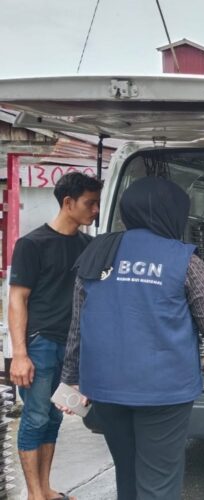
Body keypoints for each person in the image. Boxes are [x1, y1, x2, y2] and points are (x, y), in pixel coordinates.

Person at [60, 177, 204, 500]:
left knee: (127, 471)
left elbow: (78, 323)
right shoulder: (184, 260)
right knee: (159, 481)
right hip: (164, 390)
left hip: (106, 387)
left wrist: (71, 379)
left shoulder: (99, 251)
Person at [9, 172, 102, 500]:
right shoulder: (32, 244)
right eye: (90, 203)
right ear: (68, 202)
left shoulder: (88, 247)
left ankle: (45, 489)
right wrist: (19, 354)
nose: (95, 210)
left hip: (72, 347)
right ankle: (34, 494)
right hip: (40, 343)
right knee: (35, 417)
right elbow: (17, 299)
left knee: (54, 417)